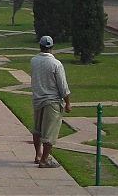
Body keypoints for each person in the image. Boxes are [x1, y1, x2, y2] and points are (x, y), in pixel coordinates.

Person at [30, 35, 71, 168]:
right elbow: (63, 86)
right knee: (50, 132)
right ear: (52, 48)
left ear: (40, 46)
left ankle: (38, 155)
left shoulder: (34, 61)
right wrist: (68, 103)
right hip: (52, 101)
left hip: (38, 99)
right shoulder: (56, 64)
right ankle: (44, 160)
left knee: (37, 130)